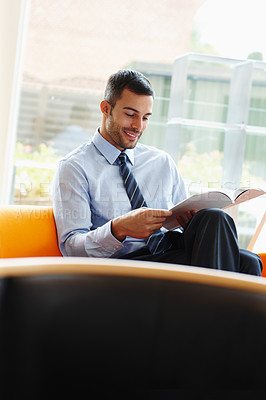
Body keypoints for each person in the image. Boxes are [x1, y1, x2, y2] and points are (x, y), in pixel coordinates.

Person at [52, 69, 262, 276]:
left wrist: (190, 222)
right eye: (130, 115)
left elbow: (182, 223)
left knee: (217, 221)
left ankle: (209, 310)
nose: (138, 126)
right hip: (122, 265)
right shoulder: (74, 167)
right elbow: (71, 248)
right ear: (106, 108)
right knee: (243, 264)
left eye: (145, 117)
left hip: (167, 251)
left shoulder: (160, 162)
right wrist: (118, 228)